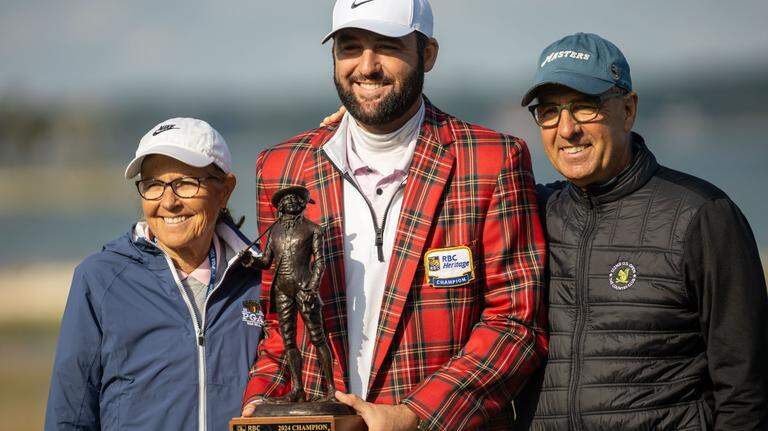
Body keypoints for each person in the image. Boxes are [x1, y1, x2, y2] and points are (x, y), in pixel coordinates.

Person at [242, 0, 548, 429]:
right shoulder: (281, 168)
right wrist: (261, 401)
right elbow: (278, 323)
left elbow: (515, 323)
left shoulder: (492, 161)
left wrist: (415, 415)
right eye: (350, 47)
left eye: (387, 46)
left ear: (428, 54)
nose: (367, 67)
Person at [517, 33, 768, 430]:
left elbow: (746, 390)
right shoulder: (531, 213)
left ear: (628, 109)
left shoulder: (702, 215)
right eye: (549, 111)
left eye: (584, 107)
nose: (566, 129)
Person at [45, 118, 264, 430]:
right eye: (153, 185)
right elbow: (70, 416)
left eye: (185, 183)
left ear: (225, 190)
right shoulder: (100, 279)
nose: (168, 202)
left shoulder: (262, 279)